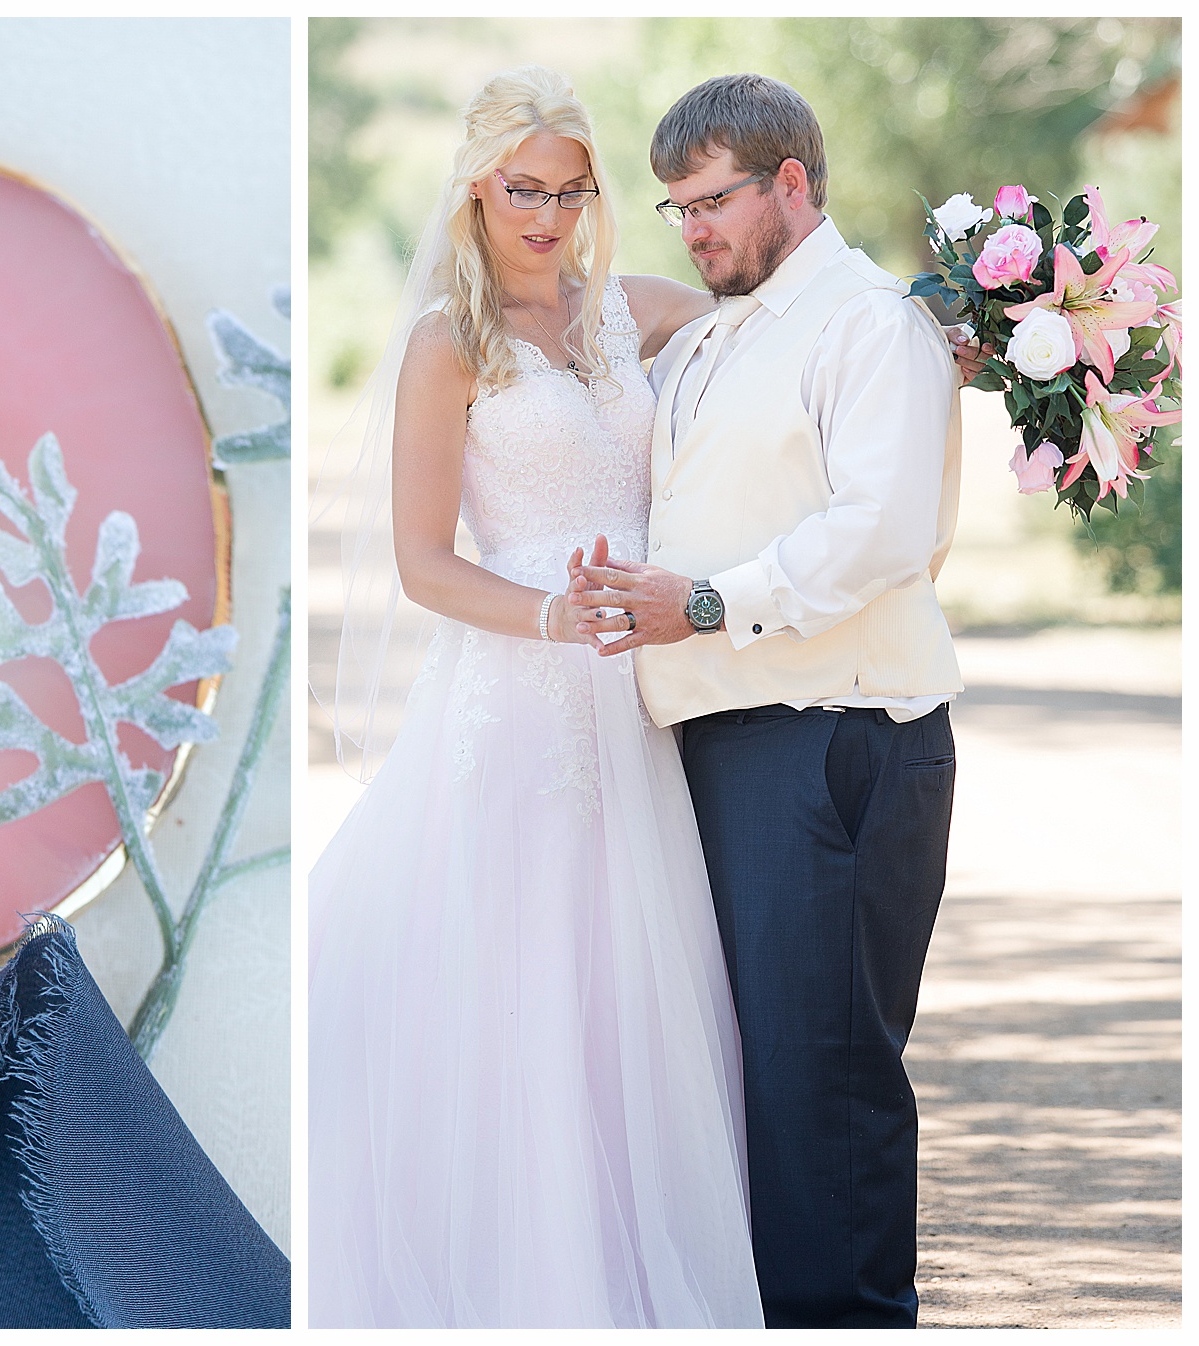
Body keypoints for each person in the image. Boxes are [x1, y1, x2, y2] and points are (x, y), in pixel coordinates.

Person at [308, 65, 763, 1328]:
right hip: (518, 691)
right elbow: (420, 562)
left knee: (632, 979)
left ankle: (625, 1259)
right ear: (475, 186)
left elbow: (777, 308)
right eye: (525, 190)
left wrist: (944, 326)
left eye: (572, 192)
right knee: (524, 971)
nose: (549, 215)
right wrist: (554, 615)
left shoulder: (628, 312)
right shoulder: (446, 345)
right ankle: (523, 1274)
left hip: (636, 698)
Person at [566, 73, 963, 1328]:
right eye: (677, 207)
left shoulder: (868, 324)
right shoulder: (724, 331)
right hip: (730, 744)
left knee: (822, 1080)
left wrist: (702, 603)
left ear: (793, 183)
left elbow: (883, 530)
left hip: (834, 741)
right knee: (750, 1080)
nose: (695, 229)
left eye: (715, 202)